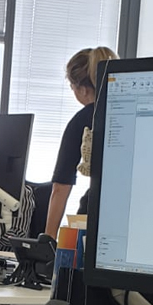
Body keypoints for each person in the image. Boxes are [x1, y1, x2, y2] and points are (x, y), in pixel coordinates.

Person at [44, 46, 118, 237]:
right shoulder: (128, 111)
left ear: (84, 90)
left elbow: (60, 188)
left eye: (73, 87)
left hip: (95, 213)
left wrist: (48, 243)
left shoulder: (82, 120)